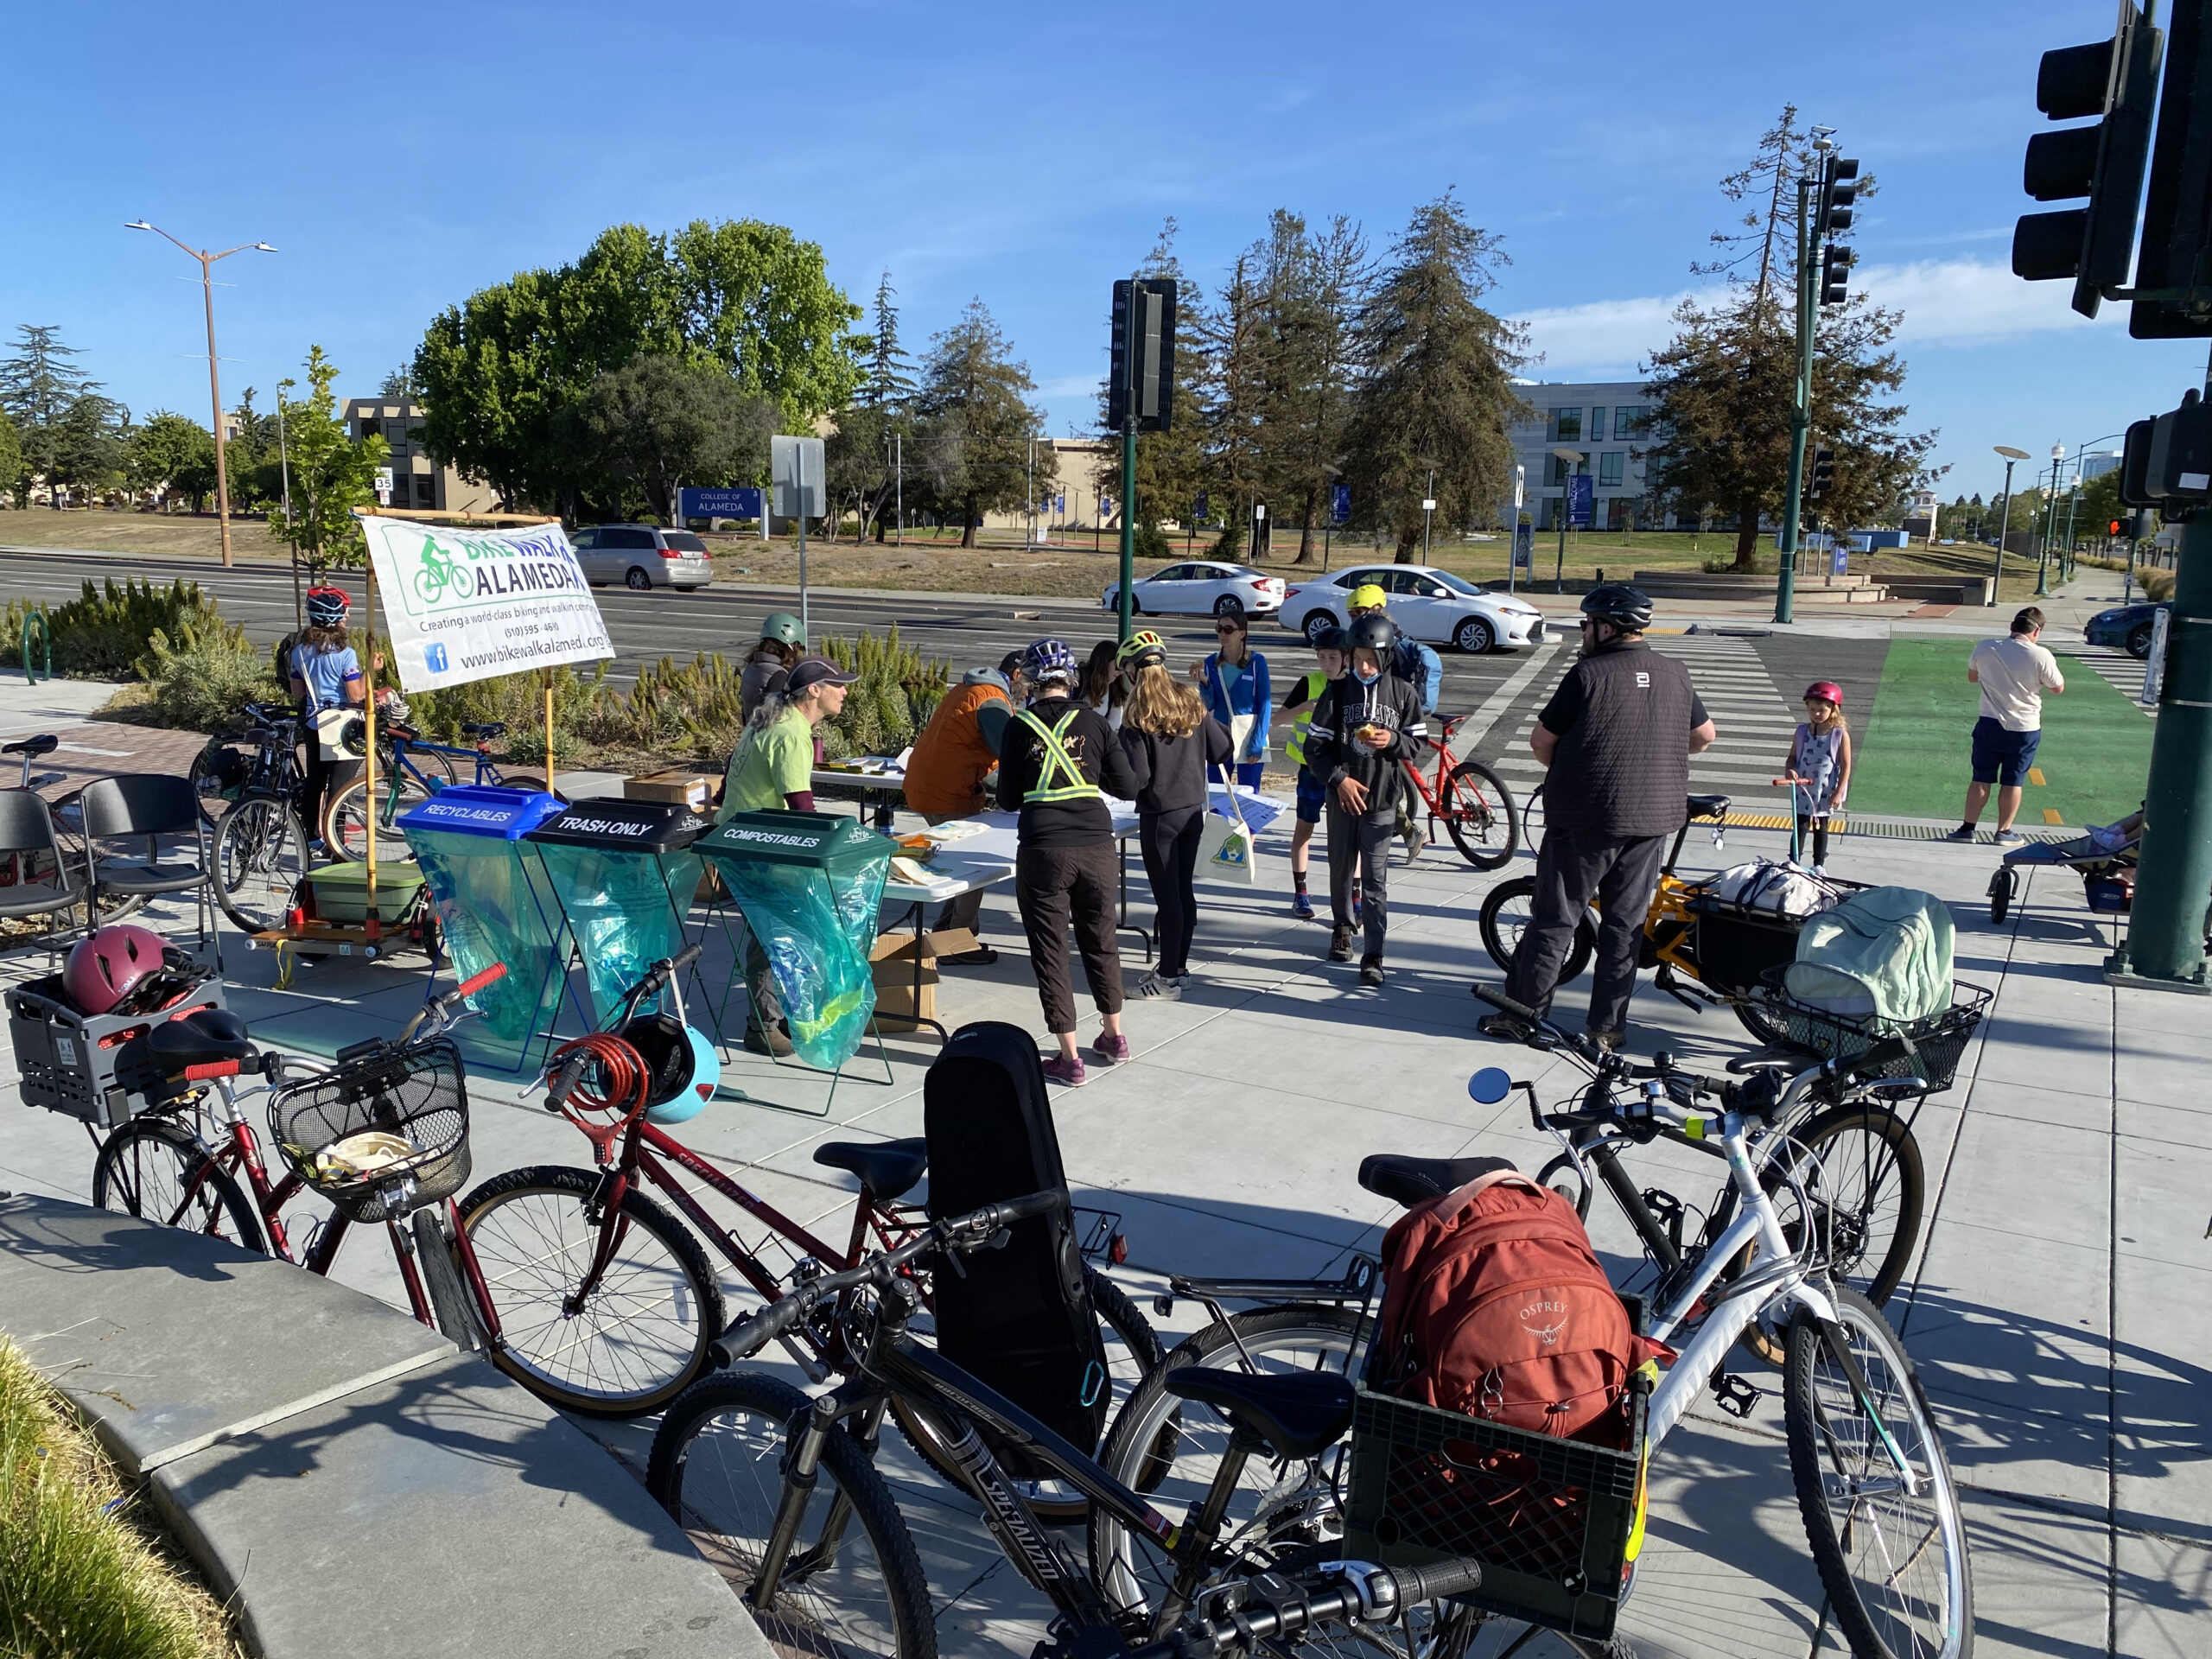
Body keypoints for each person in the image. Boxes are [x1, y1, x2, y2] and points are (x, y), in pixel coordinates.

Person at [1478, 585, 1716, 1050]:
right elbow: (1705, 736)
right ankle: (1607, 1029)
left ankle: (1525, 1016)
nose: (1583, 632)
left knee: (1555, 919)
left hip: (1585, 820)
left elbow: (1541, 742)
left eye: (1587, 624)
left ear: (1608, 628)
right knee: (1624, 928)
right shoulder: (1675, 672)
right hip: (1650, 822)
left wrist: (1579, 768)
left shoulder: (1588, 674)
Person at [999, 638, 1141, 1086]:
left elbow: (1005, 799)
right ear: (1070, 678)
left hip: (1043, 848)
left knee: (1050, 949)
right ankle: (1114, 1035)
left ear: (1032, 681)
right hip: (1097, 845)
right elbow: (1129, 787)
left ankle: (1069, 1057)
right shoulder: (1096, 724)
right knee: (1102, 941)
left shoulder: (1019, 726)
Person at [720, 656, 859, 1055]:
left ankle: (777, 1016)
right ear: (814, 691)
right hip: (758, 845)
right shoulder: (790, 732)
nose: (845, 692)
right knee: (770, 934)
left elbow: (733, 768)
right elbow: (800, 805)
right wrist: (832, 847)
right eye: (839, 685)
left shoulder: (773, 719)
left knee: (776, 931)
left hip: (742, 836)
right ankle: (763, 1026)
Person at [1302, 613, 1427, 988]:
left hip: (1382, 802)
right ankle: (1342, 928)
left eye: (1371, 659)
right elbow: (1314, 748)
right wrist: (1338, 781)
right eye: (1357, 658)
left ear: (1386, 657)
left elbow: (1416, 745)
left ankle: (1374, 952)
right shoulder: (1337, 692)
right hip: (1342, 799)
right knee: (1341, 869)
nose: (1364, 666)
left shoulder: (1403, 693)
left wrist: (1392, 741)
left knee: (1375, 881)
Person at [1116, 631, 1233, 1001]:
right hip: (1192, 811)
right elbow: (1221, 749)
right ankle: (1178, 969)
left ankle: (1166, 979)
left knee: (1167, 899)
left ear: (1134, 673)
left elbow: (1137, 780)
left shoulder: (1136, 716)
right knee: (1184, 893)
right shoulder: (1189, 699)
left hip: (1159, 818)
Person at [903, 665, 1015, 965]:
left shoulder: (964, 692)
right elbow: (1009, 754)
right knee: (973, 872)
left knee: (957, 865)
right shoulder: (992, 702)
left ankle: (944, 932)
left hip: (924, 786)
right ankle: (958, 943)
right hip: (949, 792)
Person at [1948, 606, 2064, 846]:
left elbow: (1972, 676)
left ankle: (1968, 828)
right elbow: (2057, 687)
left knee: (1981, 777)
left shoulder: (1986, 647)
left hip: (1990, 721)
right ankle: (2003, 831)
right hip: (2024, 726)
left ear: (2012, 627)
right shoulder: (2041, 655)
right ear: (2037, 631)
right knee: (2013, 780)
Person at [1346, 582, 1440, 859]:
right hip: (1398, 711)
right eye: (1351, 614)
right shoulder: (1392, 632)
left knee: (1379, 781)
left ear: (1376, 609)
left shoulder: (1385, 640)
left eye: (1359, 612)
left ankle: (1411, 833)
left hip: (1394, 714)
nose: (1354, 618)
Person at [287, 586, 365, 848]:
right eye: (344, 614)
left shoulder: (299, 652)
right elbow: (355, 695)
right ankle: (337, 843)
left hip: (313, 721)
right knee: (341, 788)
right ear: (336, 620)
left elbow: (297, 691)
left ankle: (310, 838)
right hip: (341, 725)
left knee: (315, 783)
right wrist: (372, 672)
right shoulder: (346, 655)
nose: (347, 618)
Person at [1280, 627, 1349, 920]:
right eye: (1321, 656)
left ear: (1347, 658)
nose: (1326, 662)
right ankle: (1301, 894)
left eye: (1332, 657)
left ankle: (1354, 897)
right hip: (1311, 770)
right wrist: (1303, 707)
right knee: (1304, 830)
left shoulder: (1355, 686)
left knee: (1347, 839)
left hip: (1344, 773)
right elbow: (1278, 717)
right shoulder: (1309, 682)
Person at [1191, 612, 1271, 787]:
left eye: (1228, 630)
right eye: (1219, 629)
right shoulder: (1211, 662)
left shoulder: (1257, 663)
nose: (1222, 634)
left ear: (1242, 633)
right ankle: (1217, 817)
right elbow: (1211, 705)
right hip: (1220, 736)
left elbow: (1265, 705)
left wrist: (1257, 744)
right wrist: (1204, 683)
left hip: (1248, 736)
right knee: (1216, 793)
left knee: (1248, 795)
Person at [1784, 681, 1853, 871]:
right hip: (1802, 789)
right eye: (1812, 709)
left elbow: (1846, 765)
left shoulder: (1839, 734)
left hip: (1825, 790)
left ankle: (1818, 864)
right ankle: (1794, 861)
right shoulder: (1801, 732)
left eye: (1821, 710)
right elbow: (1791, 758)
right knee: (1800, 825)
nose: (1816, 714)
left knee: (1821, 826)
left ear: (1834, 710)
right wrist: (1790, 771)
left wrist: (1839, 791)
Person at [740, 613, 806, 721]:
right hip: (767, 736)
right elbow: (775, 718)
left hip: (750, 734)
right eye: (797, 646)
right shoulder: (778, 675)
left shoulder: (752, 666)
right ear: (790, 645)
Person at [1078, 639, 1128, 729]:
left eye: (1123, 667)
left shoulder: (1115, 689)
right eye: (1117, 666)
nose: (1121, 672)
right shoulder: (1079, 684)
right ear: (1104, 663)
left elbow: (1114, 726)